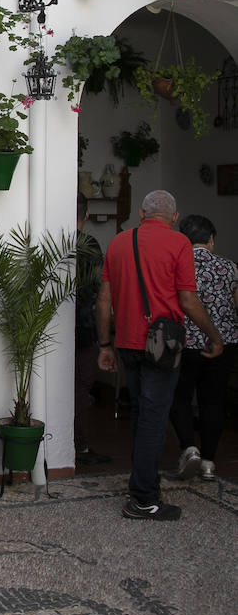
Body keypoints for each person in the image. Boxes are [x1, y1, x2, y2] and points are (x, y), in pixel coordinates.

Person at [96, 190, 223, 521]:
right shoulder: (180, 244)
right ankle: (143, 499)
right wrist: (213, 335)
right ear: (175, 217)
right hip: (162, 345)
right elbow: (188, 300)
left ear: (141, 213)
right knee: (153, 419)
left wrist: (105, 345)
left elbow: (104, 300)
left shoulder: (119, 242)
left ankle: (142, 483)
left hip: (126, 343)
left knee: (141, 414)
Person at [169, 214, 238, 481]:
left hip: (186, 342)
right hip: (224, 342)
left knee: (179, 396)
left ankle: (190, 448)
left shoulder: (178, 265)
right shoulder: (230, 267)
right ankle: (209, 462)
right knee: (213, 401)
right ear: (211, 239)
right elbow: (234, 304)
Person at [74, 193, 111, 466]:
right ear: (87, 215)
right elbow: (97, 289)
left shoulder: (52, 239)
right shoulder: (89, 245)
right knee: (81, 387)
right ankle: (79, 445)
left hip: (56, 324)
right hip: (85, 325)